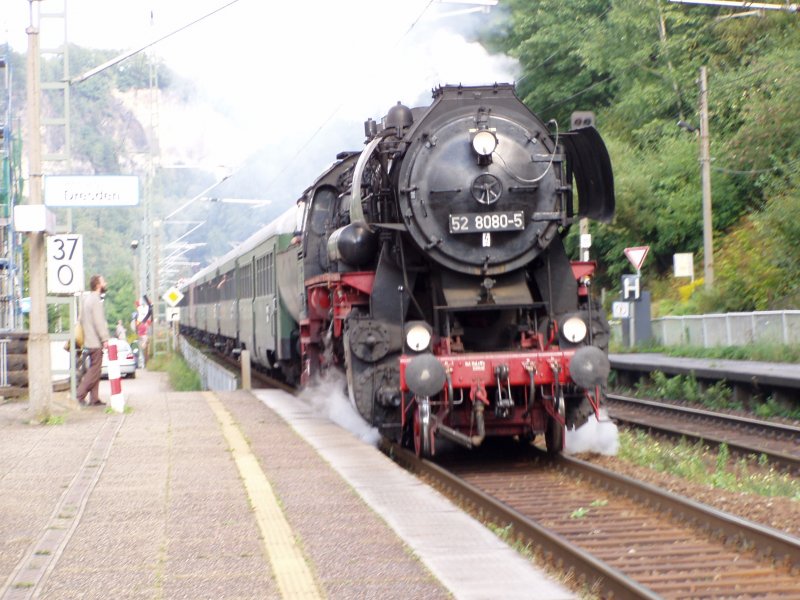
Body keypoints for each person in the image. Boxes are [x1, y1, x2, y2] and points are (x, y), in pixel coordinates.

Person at [76, 274, 110, 406]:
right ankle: (79, 395)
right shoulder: (96, 300)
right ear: (98, 285)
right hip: (95, 341)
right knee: (94, 370)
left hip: (88, 340)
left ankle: (94, 398)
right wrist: (105, 339)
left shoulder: (87, 299)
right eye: (103, 282)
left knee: (96, 369)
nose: (105, 284)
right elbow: (99, 322)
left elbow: (81, 320)